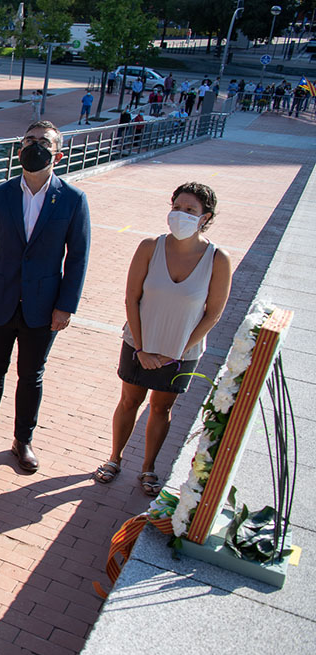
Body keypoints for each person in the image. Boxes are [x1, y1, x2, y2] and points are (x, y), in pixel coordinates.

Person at [0, 121, 91, 472]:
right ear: (19, 149)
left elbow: (77, 257)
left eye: (43, 142)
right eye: (29, 140)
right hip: (0, 298)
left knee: (31, 375)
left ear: (58, 154)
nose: (35, 147)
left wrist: (66, 307)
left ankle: (23, 440)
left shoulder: (74, 200)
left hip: (44, 307)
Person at [93, 182, 231, 495]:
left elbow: (213, 313)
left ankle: (148, 468)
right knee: (130, 400)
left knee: (160, 409)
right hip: (139, 343)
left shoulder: (217, 259)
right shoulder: (149, 247)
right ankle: (115, 458)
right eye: (176, 208)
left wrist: (175, 352)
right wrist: (141, 348)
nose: (180, 215)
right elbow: (132, 298)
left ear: (205, 217)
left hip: (180, 354)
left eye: (190, 211)